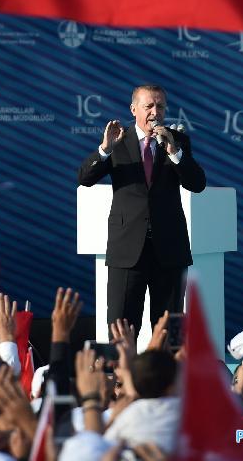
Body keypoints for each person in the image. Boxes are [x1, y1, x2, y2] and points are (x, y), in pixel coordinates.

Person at [78, 84, 206, 337]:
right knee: (122, 328)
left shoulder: (177, 141)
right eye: (149, 106)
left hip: (169, 250)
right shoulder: (118, 142)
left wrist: (174, 152)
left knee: (169, 331)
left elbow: (197, 184)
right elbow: (85, 177)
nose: (155, 112)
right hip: (127, 251)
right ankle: (122, 377)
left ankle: (167, 377)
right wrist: (104, 149)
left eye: (160, 106)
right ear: (133, 109)